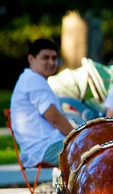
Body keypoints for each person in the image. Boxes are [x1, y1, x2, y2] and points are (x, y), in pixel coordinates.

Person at [10, 38, 75, 168]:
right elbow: (55, 118)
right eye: (45, 58)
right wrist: (78, 137)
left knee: (95, 151)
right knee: (95, 153)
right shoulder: (33, 80)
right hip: (44, 149)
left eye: (54, 58)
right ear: (31, 59)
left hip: (41, 148)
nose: (51, 62)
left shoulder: (30, 79)